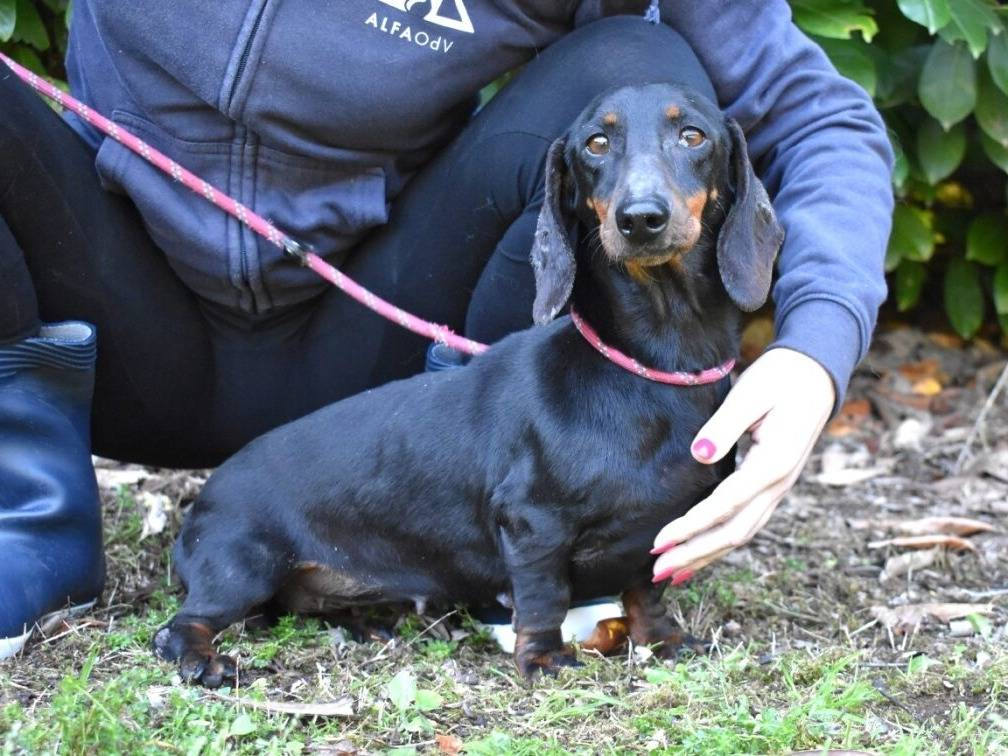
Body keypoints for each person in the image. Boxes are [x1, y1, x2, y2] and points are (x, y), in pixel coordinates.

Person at [0, 0, 892, 658]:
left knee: (631, 58)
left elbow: (817, 115)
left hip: (373, 363)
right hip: (115, 325)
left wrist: (814, 349)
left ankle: (500, 546)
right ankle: (32, 514)